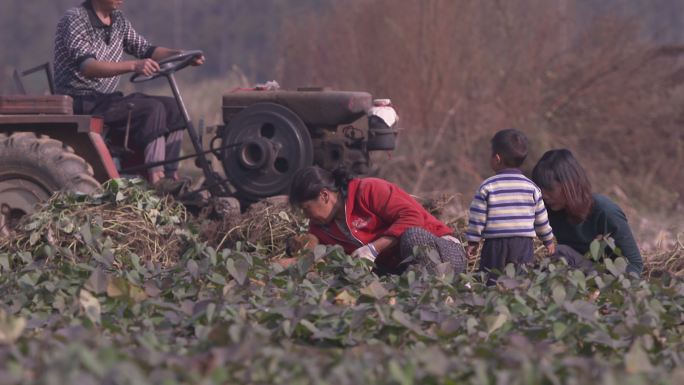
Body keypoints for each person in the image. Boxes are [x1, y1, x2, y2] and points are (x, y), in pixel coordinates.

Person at [53, 0, 205, 185]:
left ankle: (171, 176)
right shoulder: (75, 19)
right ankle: (157, 179)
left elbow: (146, 49)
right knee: (151, 109)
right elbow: (88, 67)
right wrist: (133, 65)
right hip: (81, 99)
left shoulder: (118, 20)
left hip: (106, 99)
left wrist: (182, 55)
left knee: (173, 108)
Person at [288, 166, 467, 275]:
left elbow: (413, 218)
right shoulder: (321, 227)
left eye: (306, 208)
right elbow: (312, 253)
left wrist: (374, 249)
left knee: (413, 237)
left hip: (443, 250)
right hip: (403, 269)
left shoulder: (367, 190)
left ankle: (438, 284)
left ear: (324, 195)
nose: (306, 215)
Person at [531, 149, 643, 276]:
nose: (544, 196)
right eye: (540, 190)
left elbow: (635, 264)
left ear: (569, 185)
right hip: (577, 274)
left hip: (607, 278)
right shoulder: (548, 211)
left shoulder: (605, 211)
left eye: (550, 189)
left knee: (563, 252)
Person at [466, 129, 556, 278]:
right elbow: (541, 219)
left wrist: (473, 241)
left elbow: (477, 218)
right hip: (523, 246)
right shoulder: (532, 188)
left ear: (497, 158)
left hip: (495, 245)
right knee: (520, 282)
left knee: (491, 281)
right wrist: (548, 241)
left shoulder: (487, 187)